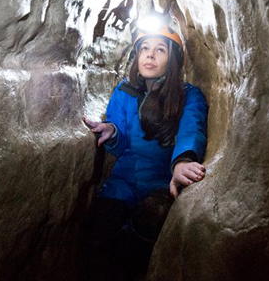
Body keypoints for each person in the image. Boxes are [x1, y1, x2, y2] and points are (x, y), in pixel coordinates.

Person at [81, 15, 208, 280]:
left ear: (171, 60)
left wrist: (183, 160)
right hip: (123, 181)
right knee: (100, 231)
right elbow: (120, 145)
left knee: (145, 230)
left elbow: (191, 129)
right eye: (145, 49)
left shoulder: (188, 95)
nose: (150, 56)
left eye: (159, 50)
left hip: (160, 182)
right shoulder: (124, 92)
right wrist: (112, 131)